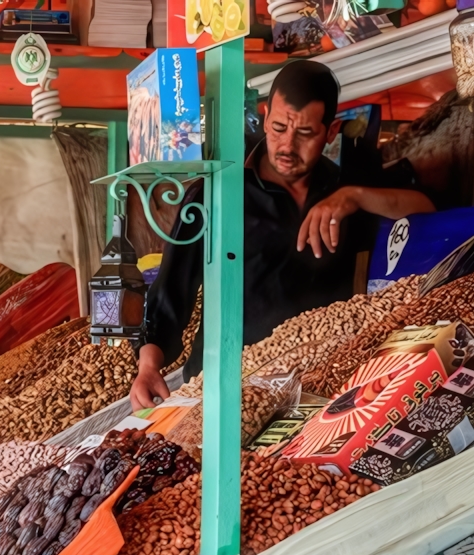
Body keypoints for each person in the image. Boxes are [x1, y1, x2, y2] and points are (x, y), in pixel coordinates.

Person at [129, 60, 436, 409]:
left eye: (305, 133)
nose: (287, 146)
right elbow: (171, 291)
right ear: (264, 116)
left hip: (320, 389)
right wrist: (148, 366)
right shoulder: (218, 195)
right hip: (225, 391)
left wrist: (354, 197)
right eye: (277, 128)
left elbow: (426, 212)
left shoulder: (344, 193)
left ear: (330, 131)